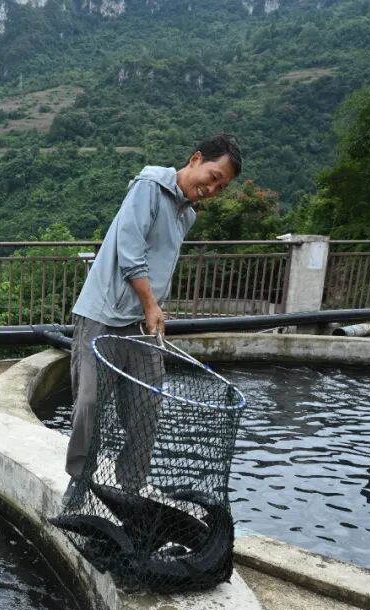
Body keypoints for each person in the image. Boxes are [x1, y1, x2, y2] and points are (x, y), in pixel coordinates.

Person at [63, 134, 242, 506]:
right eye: (212, 176)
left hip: (144, 324)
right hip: (103, 314)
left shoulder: (186, 214)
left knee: (147, 405)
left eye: (220, 186)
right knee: (90, 403)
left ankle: (130, 489)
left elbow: (160, 264)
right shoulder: (149, 186)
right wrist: (150, 304)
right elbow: (129, 250)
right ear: (195, 159)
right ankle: (79, 482)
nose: (211, 188)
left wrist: (156, 307)